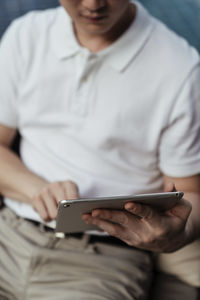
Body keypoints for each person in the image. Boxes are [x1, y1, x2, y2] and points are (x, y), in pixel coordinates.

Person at [0, 0, 199, 299]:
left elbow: (191, 192)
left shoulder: (181, 68)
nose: (93, 4)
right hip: (9, 234)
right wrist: (37, 189)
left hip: (102, 261)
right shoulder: (26, 34)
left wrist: (178, 234)